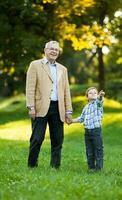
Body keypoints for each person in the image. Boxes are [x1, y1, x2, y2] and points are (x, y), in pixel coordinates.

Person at [26, 41, 72, 169]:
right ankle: (32, 166)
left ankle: (55, 167)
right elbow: (30, 88)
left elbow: (66, 91)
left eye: (56, 50)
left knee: (58, 140)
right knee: (37, 138)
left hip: (58, 108)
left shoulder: (63, 69)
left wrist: (68, 111)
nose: (54, 51)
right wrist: (31, 106)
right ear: (45, 50)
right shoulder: (35, 65)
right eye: (51, 49)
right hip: (40, 107)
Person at [70, 87, 105, 171]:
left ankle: (99, 168)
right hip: (87, 132)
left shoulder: (98, 104)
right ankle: (91, 168)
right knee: (89, 151)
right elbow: (81, 118)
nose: (93, 94)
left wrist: (100, 96)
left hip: (96, 131)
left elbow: (100, 101)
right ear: (86, 96)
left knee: (98, 149)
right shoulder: (86, 107)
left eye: (95, 93)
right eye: (90, 93)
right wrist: (71, 121)